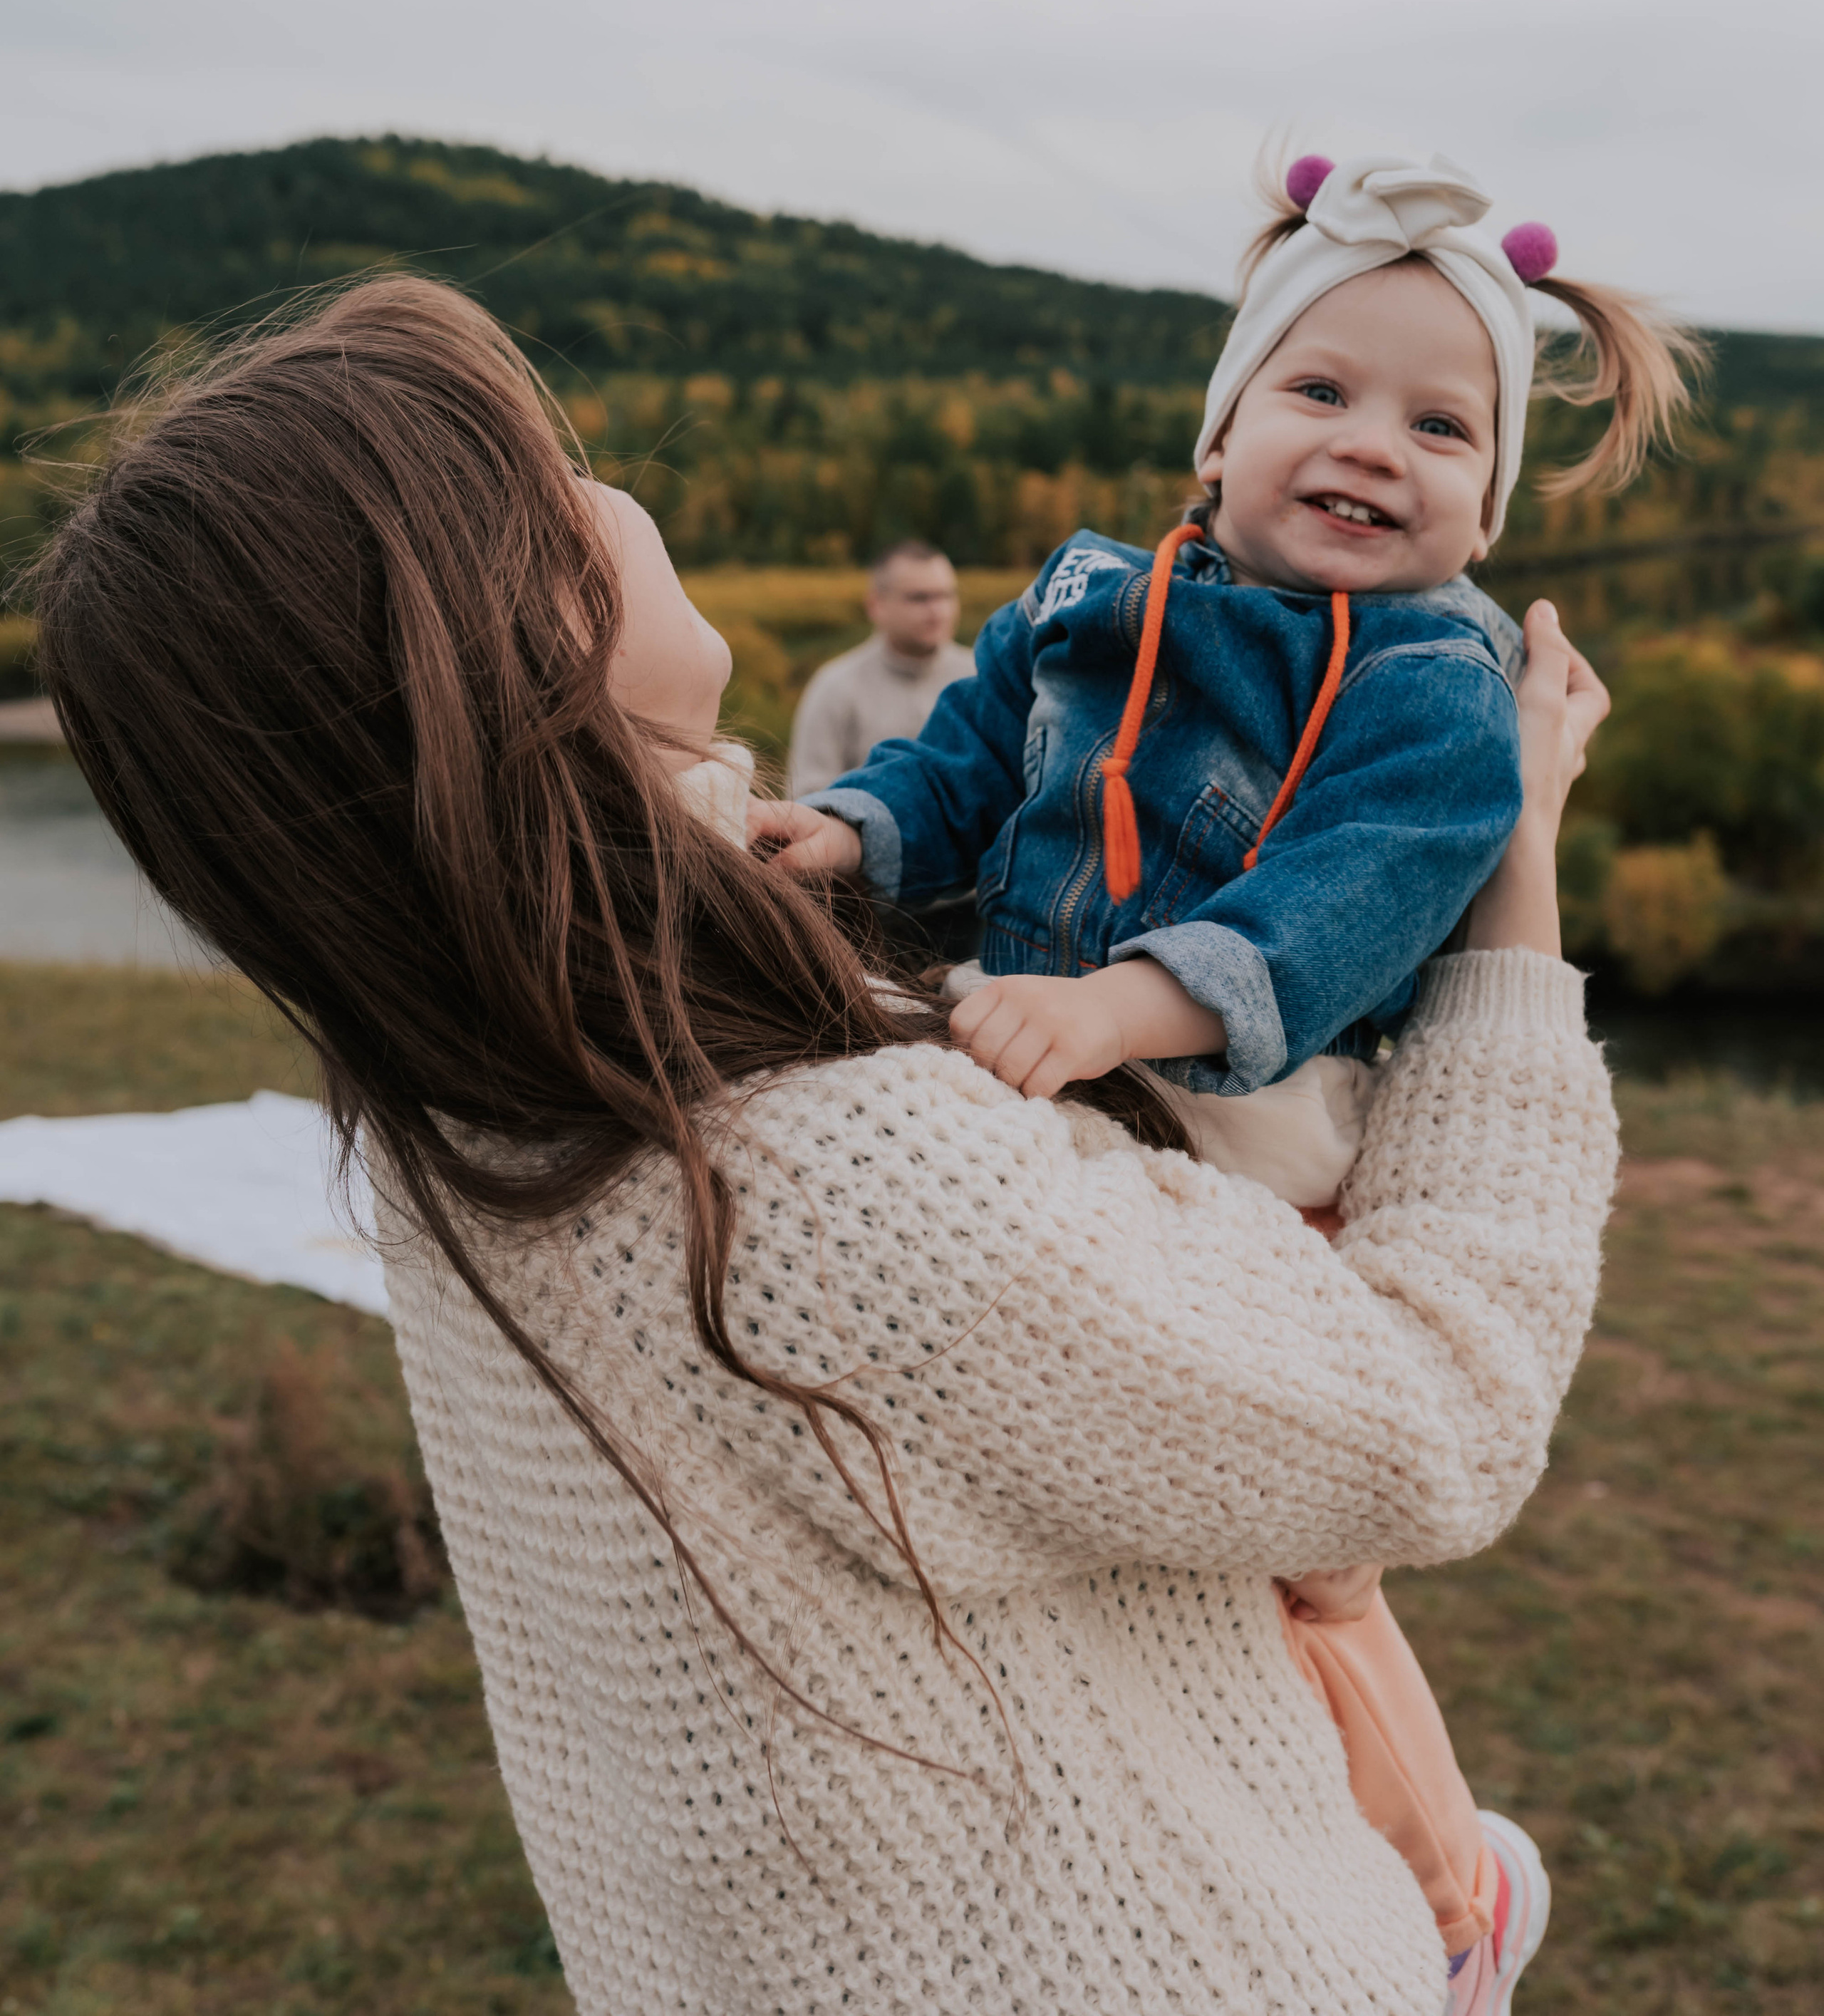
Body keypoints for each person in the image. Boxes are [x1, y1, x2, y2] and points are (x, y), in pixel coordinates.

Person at [33, 274, 1617, 2016]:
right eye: (556, 474)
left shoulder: (453, 1086)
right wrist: (1511, 881)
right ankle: (1454, 1900)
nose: (607, 481)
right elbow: (1444, 1404)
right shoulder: (822, 1172)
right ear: (508, 622)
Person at [752, 151, 1696, 2000]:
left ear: (1486, 507)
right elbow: (966, 762)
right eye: (1319, 389)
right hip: (1043, 1070)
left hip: (1244, 1121)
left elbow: (1349, 894)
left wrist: (1126, 1004)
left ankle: (1452, 1906)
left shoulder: (1435, 680)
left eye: (1439, 426)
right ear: (1218, 432)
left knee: (1292, 1575)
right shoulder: (1084, 599)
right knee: (1098, 1532)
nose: (1371, 446)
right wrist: (850, 833)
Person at [786, 538, 975, 797]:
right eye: (919, 598)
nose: (938, 611)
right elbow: (806, 795)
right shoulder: (835, 687)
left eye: (946, 595)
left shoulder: (979, 678)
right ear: (876, 605)